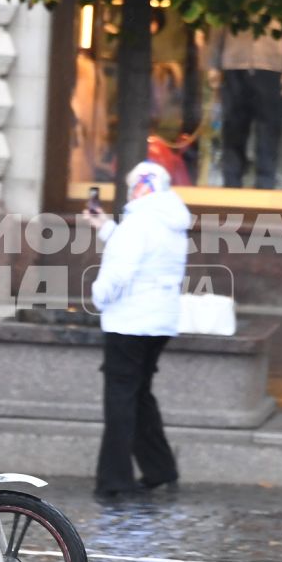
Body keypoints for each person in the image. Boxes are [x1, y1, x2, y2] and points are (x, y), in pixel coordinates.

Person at [82, 160, 191, 495]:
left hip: (129, 321)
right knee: (140, 393)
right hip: (159, 321)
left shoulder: (137, 224)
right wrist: (104, 227)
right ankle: (161, 469)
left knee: (121, 399)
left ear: (139, 187)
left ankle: (114, 481)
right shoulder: (170, 222)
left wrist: (98, 297)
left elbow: (119, 270)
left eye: (132, 186)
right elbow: (144, 254)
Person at [203, 23, 282, 189]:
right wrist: (213, 65)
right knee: (233, 129)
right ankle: (231, 184)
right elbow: (218, 27)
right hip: (234, 65)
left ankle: (265, 185)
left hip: (271, 65)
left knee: (269, 131)